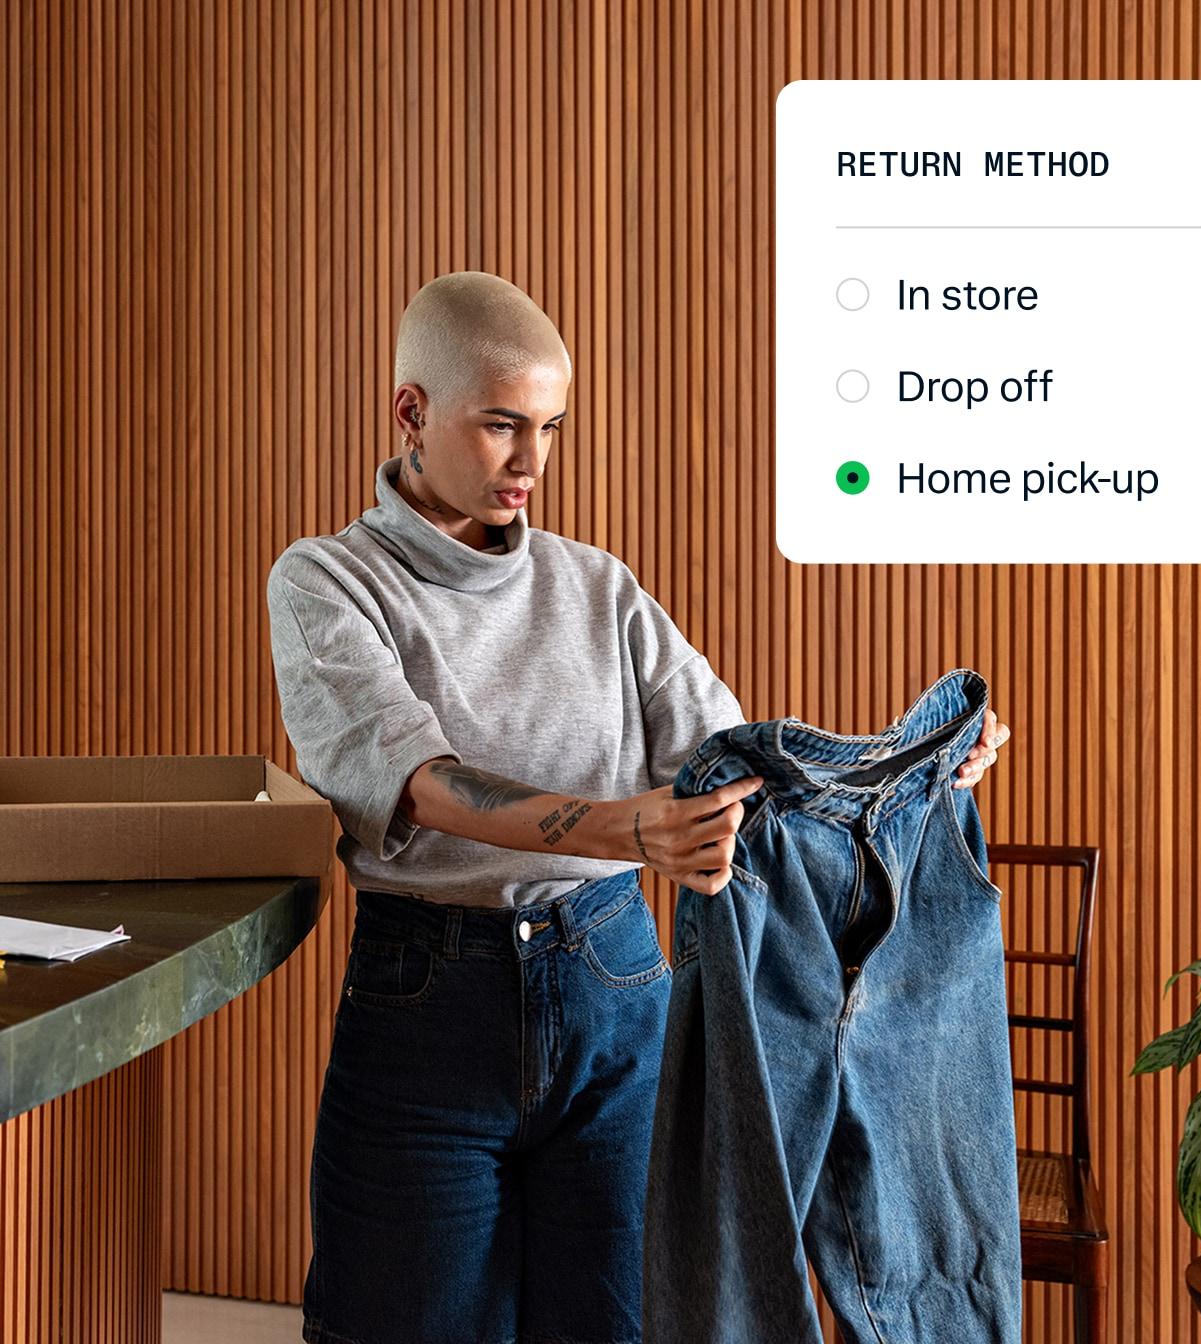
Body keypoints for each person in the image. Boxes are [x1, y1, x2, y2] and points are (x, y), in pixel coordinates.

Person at [266, 270, 1010, 1344]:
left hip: (617, 998)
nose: (532, 462)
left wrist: (914, 774)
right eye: (501, 426)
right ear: (411, 413)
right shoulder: (329, 582)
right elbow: (420, 784)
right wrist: (627, 830)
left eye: (551, 428)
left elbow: (739, 769)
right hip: (426, 1013)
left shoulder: (600, 591)